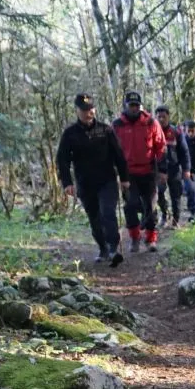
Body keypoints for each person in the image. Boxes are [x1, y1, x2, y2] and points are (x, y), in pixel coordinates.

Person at [55, 93, 130, 265]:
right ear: (77, 111)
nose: (89, 113)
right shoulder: (70, 134)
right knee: (94, 217)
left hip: (107, 181)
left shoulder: (106, 130)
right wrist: (67, 182)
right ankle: (103, 247)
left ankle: (113, 248)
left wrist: (125, 178)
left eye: (91, 109)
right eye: (85, 110)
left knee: (108, 212)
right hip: (85, 183)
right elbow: (62, 160)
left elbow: (119, 154)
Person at [111, 92, 166, 252]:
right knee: (130, 205)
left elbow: (161, 146)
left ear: (140, 106)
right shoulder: (117, 125)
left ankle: (151, 239)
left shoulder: (151, 122)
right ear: (125, 106)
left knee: (151, 206)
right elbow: (112, 149)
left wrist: (162, 170)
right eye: (131, 105)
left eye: (136, 105)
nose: (134, 108)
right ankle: (134, 238)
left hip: (149, 171)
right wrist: (114, 170)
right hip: (128, 173)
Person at [152, 106, 191, 229]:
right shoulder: (152, 131)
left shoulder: (176, 132)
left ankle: (176, 220)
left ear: (168, 117)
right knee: (159, 194)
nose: (162, 119)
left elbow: (184, 152)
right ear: (156, 117)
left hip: (174, 169)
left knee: (176, 195)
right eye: (159, 117)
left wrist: (186, 169)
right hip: (158, 170)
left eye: (164, 117)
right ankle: (164, 214)